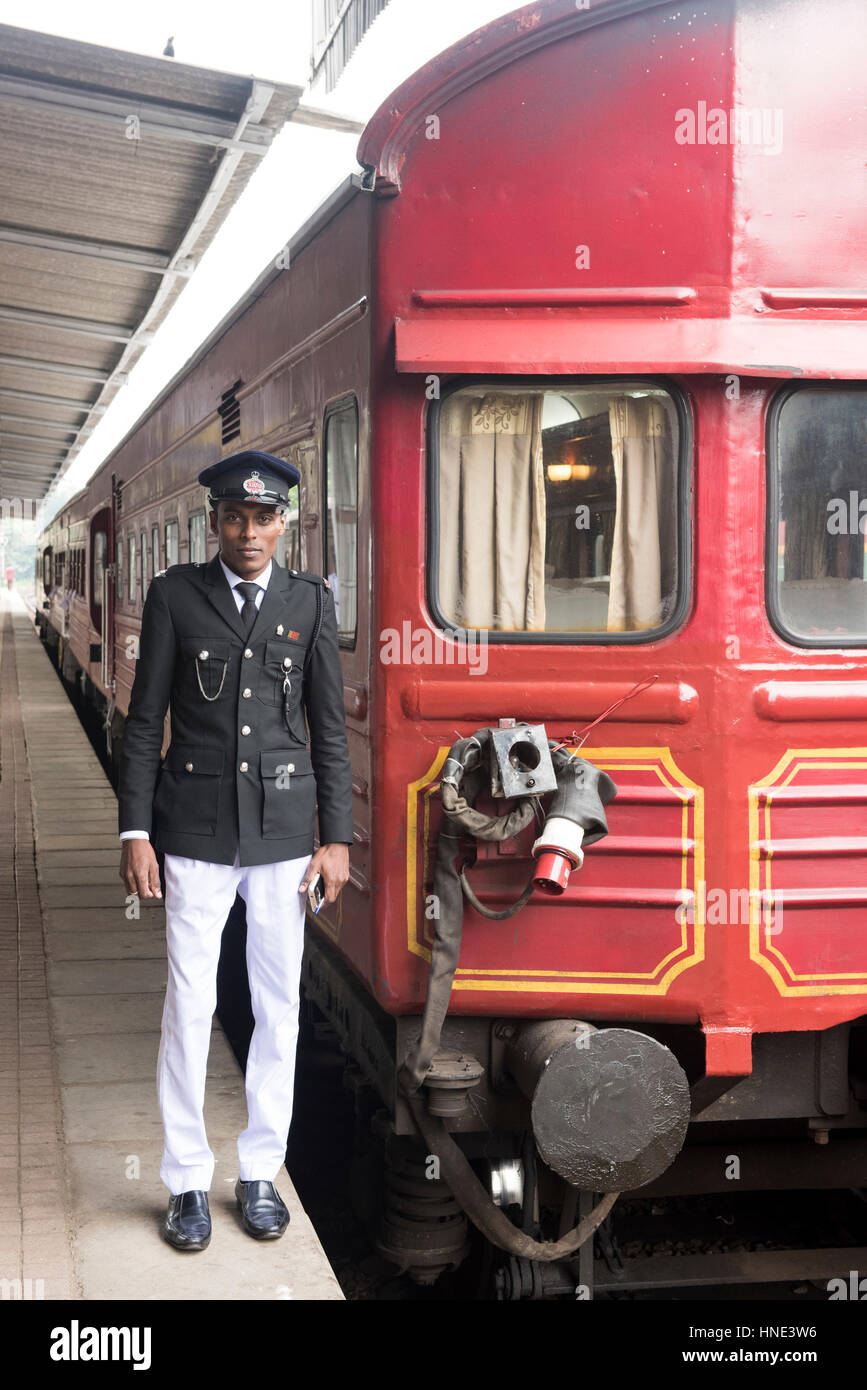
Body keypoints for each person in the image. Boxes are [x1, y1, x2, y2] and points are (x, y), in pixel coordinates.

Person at [117, 449, 353, 1251]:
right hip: (191, 834)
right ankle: (186, 1179)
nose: (248, 531)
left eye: (264, 517)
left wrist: (335, 840)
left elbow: (328, 730)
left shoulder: (309, 600)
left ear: (285, 522)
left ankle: (259, 1171)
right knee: (188, 1006)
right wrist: (136, 829)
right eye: (234, 516)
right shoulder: (173, 596)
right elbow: (145, 719)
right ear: (213, 520)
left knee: (276, 1006)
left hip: (286, 839)